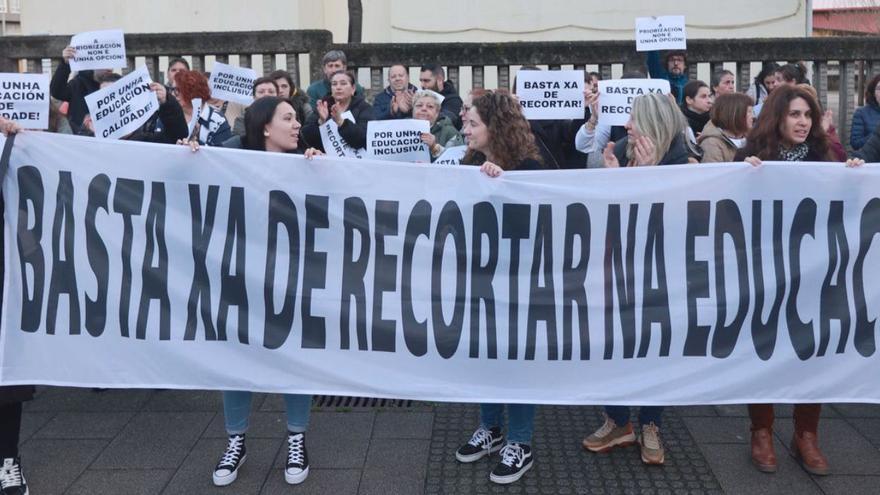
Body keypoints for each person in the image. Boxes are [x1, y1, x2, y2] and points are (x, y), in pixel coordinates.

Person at [179, 97, 321, 487]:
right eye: (288, 118)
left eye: (298, 119)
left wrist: (324, 169)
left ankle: (296, 438)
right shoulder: (228, 159)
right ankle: (236, 441)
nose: (297, 126)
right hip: (239, 279)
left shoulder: (307, 163)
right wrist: (189, 155)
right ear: (264, 127)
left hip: (290, 280)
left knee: (294, 357)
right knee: (237, 358)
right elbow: (189, 175)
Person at [735, 85, 862, 476]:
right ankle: (762, 432)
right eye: (794, 114)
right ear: (778, 117)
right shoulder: (750, 158)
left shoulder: (827, 157)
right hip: (767, 276)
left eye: (807, 115)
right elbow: (729, 215)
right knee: (766, 352)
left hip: (814, 276)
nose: (803, 122)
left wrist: (855, 179)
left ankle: (806, 435)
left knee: (813, 353)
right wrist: (742, 179)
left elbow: (851, 212)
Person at [584, 93, 689, 466]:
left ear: (656, 125)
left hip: (661, 274)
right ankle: (617, 419)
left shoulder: (685, 162)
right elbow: (609, 213)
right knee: (613, 342)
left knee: (655, 347)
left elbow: (674, 221)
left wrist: (647, 177)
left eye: (634, 119)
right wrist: (612, 177)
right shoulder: (625, 150)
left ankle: (651, 424)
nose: (627, 125)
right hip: (618, 268)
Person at [455, 90, 544, 485]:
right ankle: (490, 428)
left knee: (516, 364)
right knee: (485, 358)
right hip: (480, 283)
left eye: (473, 123)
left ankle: (520, 442)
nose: (465, 128)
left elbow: (541, 225)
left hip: (520, 286)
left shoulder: (528, 168)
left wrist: (504, 186)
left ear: (496, 128)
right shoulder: (470, 161)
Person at [79, 72, 188, 144]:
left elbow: (178, 136)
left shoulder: (145, 142)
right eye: (104, 97)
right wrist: (89, 132)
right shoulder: (90, 140)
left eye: (113, 96)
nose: (110, 104)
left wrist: (167, 102)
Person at [301, 70, 376, 151]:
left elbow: (363, 139)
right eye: (334, 84)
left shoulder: (363, 108)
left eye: (343, 83)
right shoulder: (324, 106)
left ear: (353, 88)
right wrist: (321, 122)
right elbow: (306, 137)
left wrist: (341, 122)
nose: (338, 87)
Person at [49, 45, 106, 133]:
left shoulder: (116, 83)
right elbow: (57, 91)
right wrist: (65, 64)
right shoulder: (78, 84)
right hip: (81, 137)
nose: (109, 68)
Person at [174, 70, 234, 146]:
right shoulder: (168, 116)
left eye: (177, 90)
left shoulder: (217, 120)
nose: (173, 94)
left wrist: (197, 144)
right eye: (172, 89)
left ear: (192, 91)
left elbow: (222, 154)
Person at [698, 92, 753, 163]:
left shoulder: (752, 138)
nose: (753, 116)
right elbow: (714, 172)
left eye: (752, 111)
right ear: (734, 114)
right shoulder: (712, 143)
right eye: (749, 112)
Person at [413, 89, 463, 160]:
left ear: (437, 112)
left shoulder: (450, 132)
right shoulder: (402, 129)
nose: (424, 109)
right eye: (419, 105)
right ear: (413, 110)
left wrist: (434, 147)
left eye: (430, 106)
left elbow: (457, 160)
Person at [419, 63, 463, 129]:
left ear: (439, 80)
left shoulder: (454, 101)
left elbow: (444, 122)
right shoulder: (420, 97)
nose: (422, 85)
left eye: (426, 81)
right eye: (421, 81)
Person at [850, 73, 880, 150]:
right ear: (873, 92)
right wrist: (876, 135)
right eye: (879, 88)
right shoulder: (861, 113)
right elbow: (855, 143)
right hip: (870, 159)